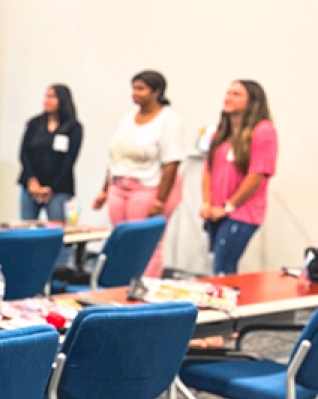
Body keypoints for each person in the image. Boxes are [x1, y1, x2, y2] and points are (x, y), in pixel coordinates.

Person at [93, 70, 186, 277]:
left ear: (156, 92)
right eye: (134, 88)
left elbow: (172, 162)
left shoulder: (168, 119)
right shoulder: (127, 119)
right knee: (121, 240)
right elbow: (115, 157)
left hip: (147, 186)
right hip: (119, 185)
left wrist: (160, 201)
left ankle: (144, 289)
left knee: (147, 242)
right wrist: (104, 190)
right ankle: (120, 285)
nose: (135, 93)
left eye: (141, 89)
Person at [201, 80, 277, 275]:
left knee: (223, 267)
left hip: (242, 213)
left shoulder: (263, 131)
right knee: (217, 267)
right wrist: (207, 204)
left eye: (236, 94)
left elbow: (256, 175)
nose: (228, 98)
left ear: (252, 101)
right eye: (228, 93)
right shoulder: (220, 133)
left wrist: (228, 207)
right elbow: (208, 170)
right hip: (216, 211)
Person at [18, 84, 83, 222]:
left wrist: (51, 188)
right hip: (31, 186)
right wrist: (32, 181)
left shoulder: (74, 128)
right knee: (26, 229)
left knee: (58, 230)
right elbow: (24, 154)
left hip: (59, 188)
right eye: (46, 96)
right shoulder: (34, 124)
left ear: (63, 100)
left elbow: (69, 160)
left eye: (52, 97)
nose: (46, 101)